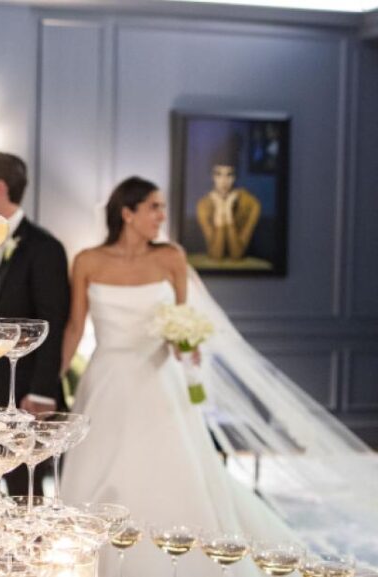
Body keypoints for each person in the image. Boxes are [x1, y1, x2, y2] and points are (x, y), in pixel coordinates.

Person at [59, 176, 296, 577]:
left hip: (160, 379)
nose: (162, 216)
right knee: (99, 467)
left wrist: (186, 344)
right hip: (107, 381)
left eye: (162, 207)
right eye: (154, 207)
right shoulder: (87, 261)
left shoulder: (171, 258)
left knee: (170, 469)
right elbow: (74, 328)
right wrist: (49, 383)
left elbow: (182, 322)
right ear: (127, 213)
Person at [0, 152, 70, 496]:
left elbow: (53, 322)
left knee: (24, 489)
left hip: (21, 390)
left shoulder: (44, 247)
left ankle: (29, 551)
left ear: (0, 187)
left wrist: (41, 391)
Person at [195, 145, 261, 261]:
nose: (224, 181)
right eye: (218, 174)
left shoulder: (251, 204)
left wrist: (228, 214)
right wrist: (220, 212)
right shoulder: (203, 205)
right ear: (212, 176)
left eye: (229, 174)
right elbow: (216, 256)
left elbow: (237, 255)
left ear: (236, 176)